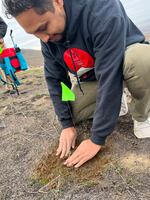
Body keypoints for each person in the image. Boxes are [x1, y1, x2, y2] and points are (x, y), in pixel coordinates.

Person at [3, 0, 150, 168]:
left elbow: (109, 75)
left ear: (57, 2)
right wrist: (67, 124)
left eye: (43, 27)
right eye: (34, 33)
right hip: (96, 78)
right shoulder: (47, 39)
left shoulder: (101, 8)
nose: (43, 38)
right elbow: (57, 80)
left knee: (142, 60)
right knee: (74, 113)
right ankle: (118, 102)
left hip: (125, 62)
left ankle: (143, 114)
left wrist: (97, 139)